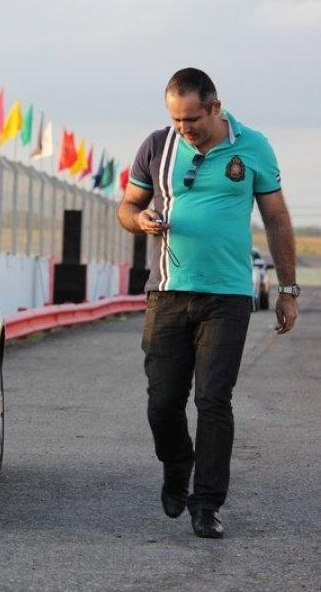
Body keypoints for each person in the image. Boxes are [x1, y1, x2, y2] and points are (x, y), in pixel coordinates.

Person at [116, 67, 299, 539]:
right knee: (163, 404)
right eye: (176, 119)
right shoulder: (157, 146)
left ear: (215, 107)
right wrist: (141, 220)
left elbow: (277, 218)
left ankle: (207, 504)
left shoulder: (252, 146)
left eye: (192, 119)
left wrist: (287, 289)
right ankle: (178, 464)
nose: (184, 128)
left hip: (228, 296)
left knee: (214, 400)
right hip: (167, 293)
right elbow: (127, 208)